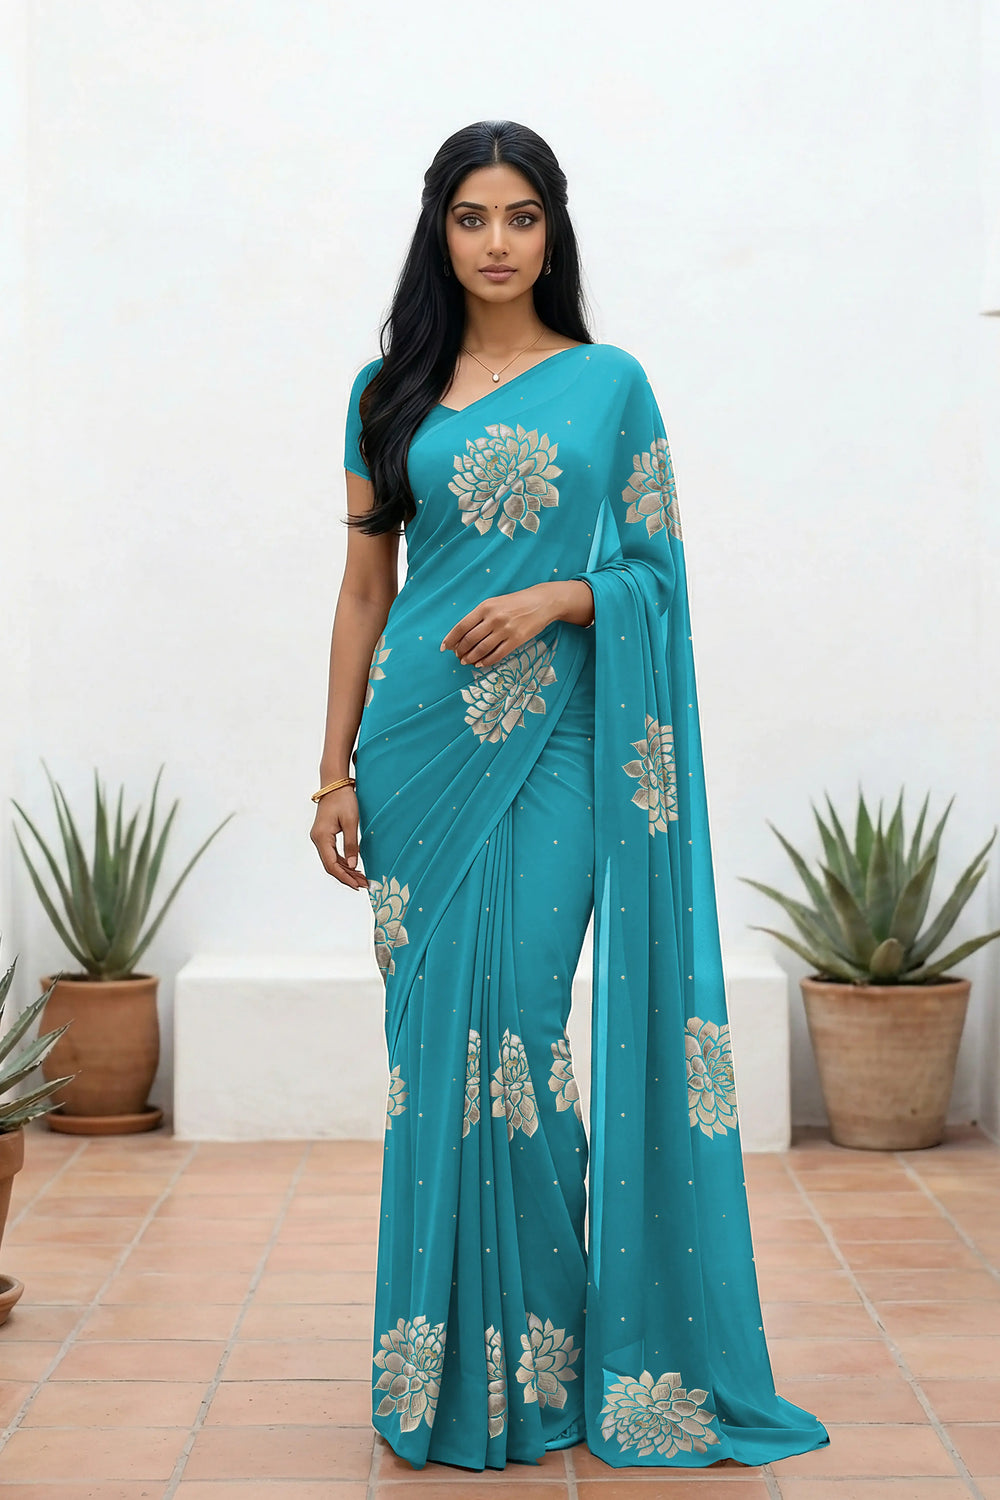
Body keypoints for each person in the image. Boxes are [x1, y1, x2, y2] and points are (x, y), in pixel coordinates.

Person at [311, 118, 830, 1474]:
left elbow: (658, 572)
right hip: (416, 749)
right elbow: (367, 589)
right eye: (473, 216)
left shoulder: (610, 384)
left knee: (525, 1045)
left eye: (522, 216)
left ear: (555, 231)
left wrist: (566, 592)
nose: (496, 242)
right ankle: (442, 1372)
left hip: (554, 741)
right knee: (438, 1063)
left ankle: (541, 1366)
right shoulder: (386, 390)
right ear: (439, 229)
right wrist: (328, 773)